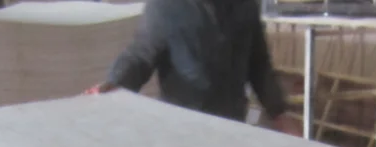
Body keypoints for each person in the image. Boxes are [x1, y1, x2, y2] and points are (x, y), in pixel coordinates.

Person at [85, 0, 293, 133]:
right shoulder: (167, 6)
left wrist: (278, 112)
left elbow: (259, 64)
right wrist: (116, 82)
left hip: (232, 124)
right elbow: (141, 54)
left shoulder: (244, 6)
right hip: (182, 128)